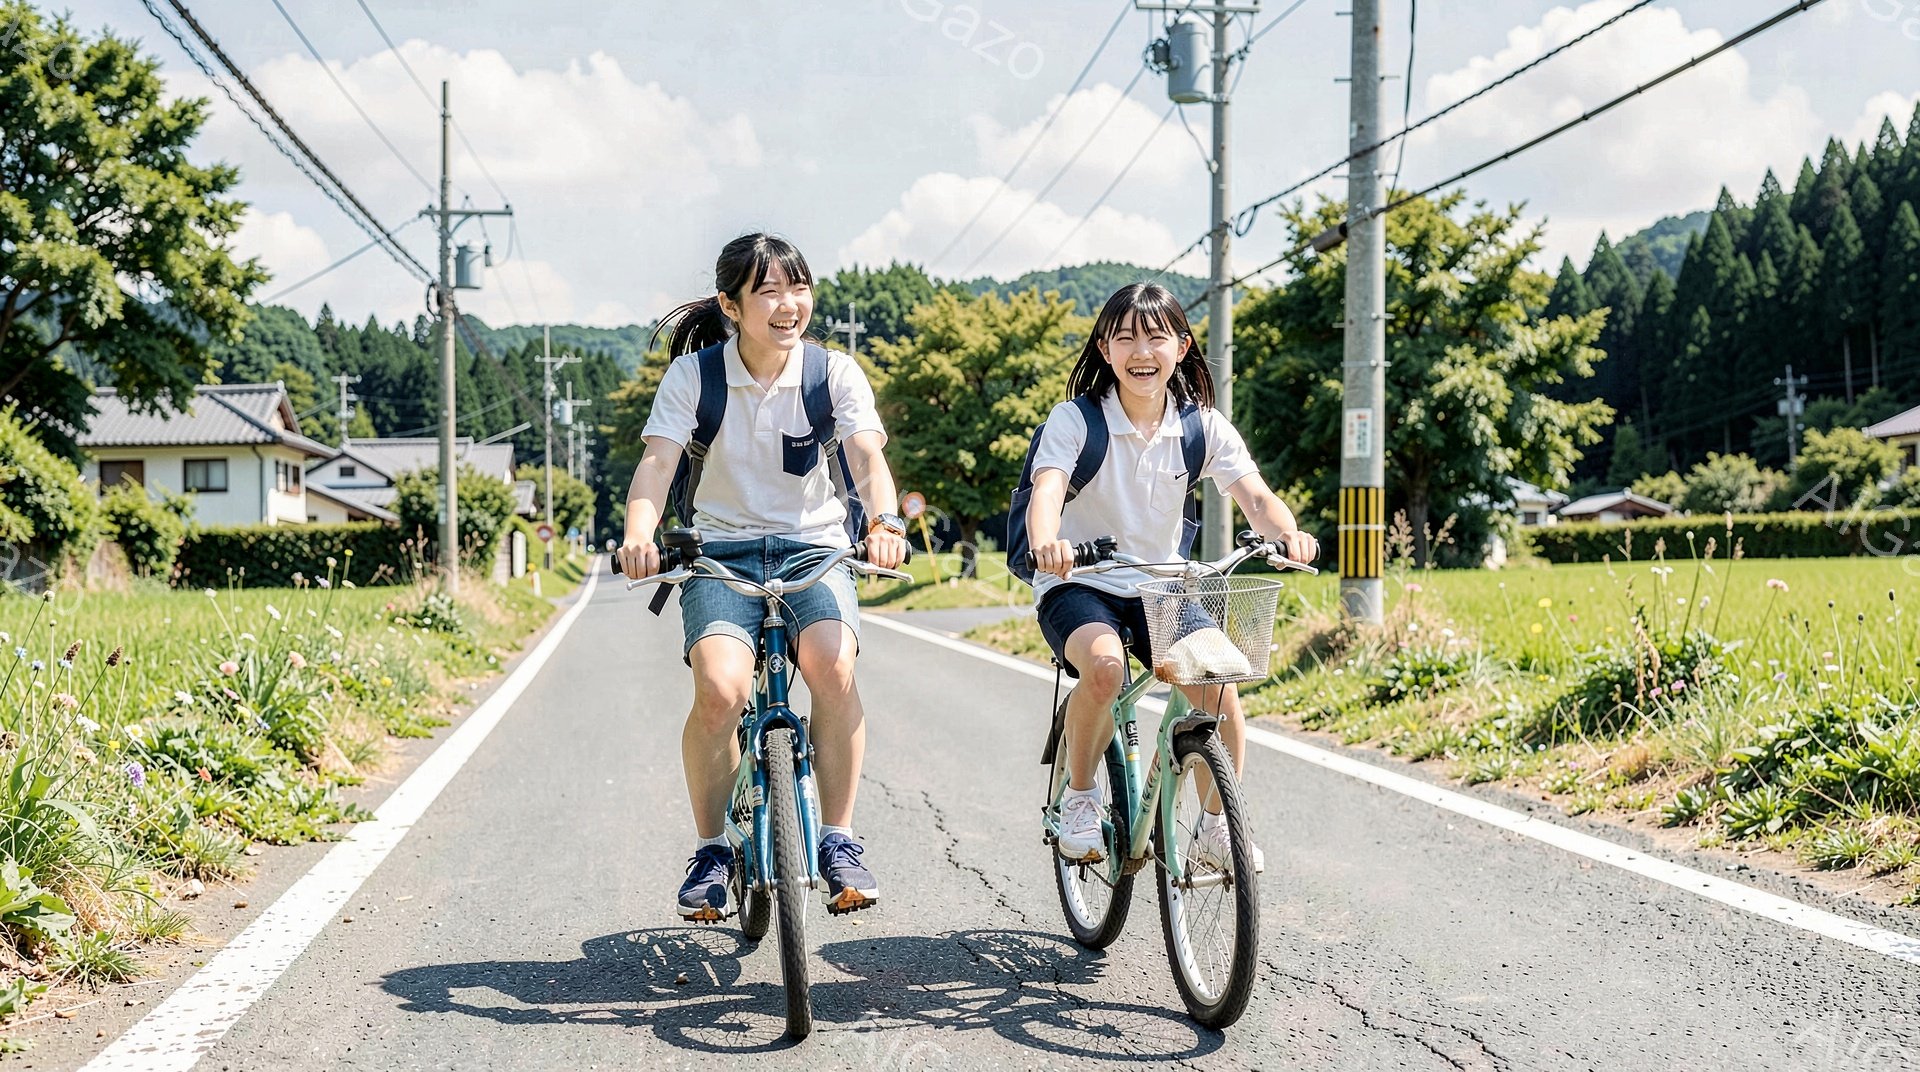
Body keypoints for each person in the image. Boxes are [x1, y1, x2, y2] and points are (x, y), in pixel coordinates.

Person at [615, 233, 910, 919]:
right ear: (730, 303)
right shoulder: (696, 378)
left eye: (798, 288)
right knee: (720, 689)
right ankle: (712, 847)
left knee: (832, 669)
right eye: (770, 291)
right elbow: (658, 465)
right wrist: (639, 534)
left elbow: (866, 457)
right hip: (721, 552)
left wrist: (886, 521)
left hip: (814, 549)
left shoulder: (831, 374)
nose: (789, 305)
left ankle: (838, 840)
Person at [1026, 282, 1320, 872]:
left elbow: (1256, 498)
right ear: (1105, 350)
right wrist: (1046, 542)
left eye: (1156, 336)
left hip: (1163, 586)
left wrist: (1287, 533)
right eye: (1125, 336)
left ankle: (1215, 827)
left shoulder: (1200, 427)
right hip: (1081, 582)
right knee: (1105, 670)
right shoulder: (1076, 420)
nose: (1141, 349)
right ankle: (1082, 796)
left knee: (1218, 689)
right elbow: (1048, 489)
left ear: (1181, 347)